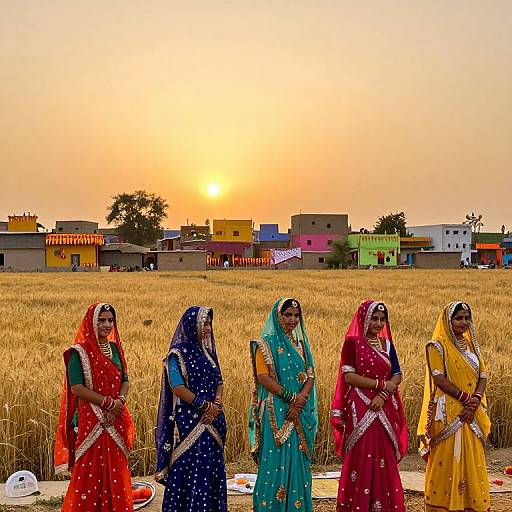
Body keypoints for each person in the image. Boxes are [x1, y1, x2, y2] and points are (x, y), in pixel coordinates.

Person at [54, 303, 135, 512]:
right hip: (92, 419)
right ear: (91, 322)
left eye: (110, 320)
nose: (107, 325)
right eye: (102, 320)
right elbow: (77, 388)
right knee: (90, 468)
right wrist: (107, 403)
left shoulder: (115, 349)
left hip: (116, 416)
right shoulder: (78, 353)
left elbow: (125, 380)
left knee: (116, 466)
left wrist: (119, 402)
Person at [330, 300, 408, 512]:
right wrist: (381, 385)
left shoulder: (387, 345)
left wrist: (383, 394)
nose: (379, 323)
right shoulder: (352, 344)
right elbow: (349, 376)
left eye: (382, 320)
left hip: (384, 406)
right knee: (362, 452)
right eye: (374, 318)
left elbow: (397, 374)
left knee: (384, 453)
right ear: (364, 318)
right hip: (361, 407)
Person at [417, 302, 490, 512]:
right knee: (446, 456)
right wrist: (466, 399)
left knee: (471, 455)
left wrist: (475, 400)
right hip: (448, 412)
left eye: (467, 318)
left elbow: (483, 375)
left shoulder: (472, 345)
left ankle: (470, 503)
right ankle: (441, 505)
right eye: (459, 318)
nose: (464, 322)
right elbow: (439, 378)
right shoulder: (436, 346)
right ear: (448, 321)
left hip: (471, 411)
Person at [155, 307, 227, 512]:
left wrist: (217, 404)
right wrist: (205, 406)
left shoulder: (208, 352)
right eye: (203, 323)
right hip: (190, 422)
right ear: (191, 324)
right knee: (189, 467)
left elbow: (219, 381)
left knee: (209, 467)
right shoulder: (177, 354)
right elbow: (177, 387)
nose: (207, 328)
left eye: (209, 323)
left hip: (212, 421)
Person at [248, 298, 318, 512]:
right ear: (278, 316)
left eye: (296, 316)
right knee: (274, 463)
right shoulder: (265, 343)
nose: (293, 320)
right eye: (288, 315)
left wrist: (301, 400)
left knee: (299, 462)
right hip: (276, 412)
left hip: (298, 410)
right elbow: (263, 377)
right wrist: (291, 397)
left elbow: (310, 375)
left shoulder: (301, 344)